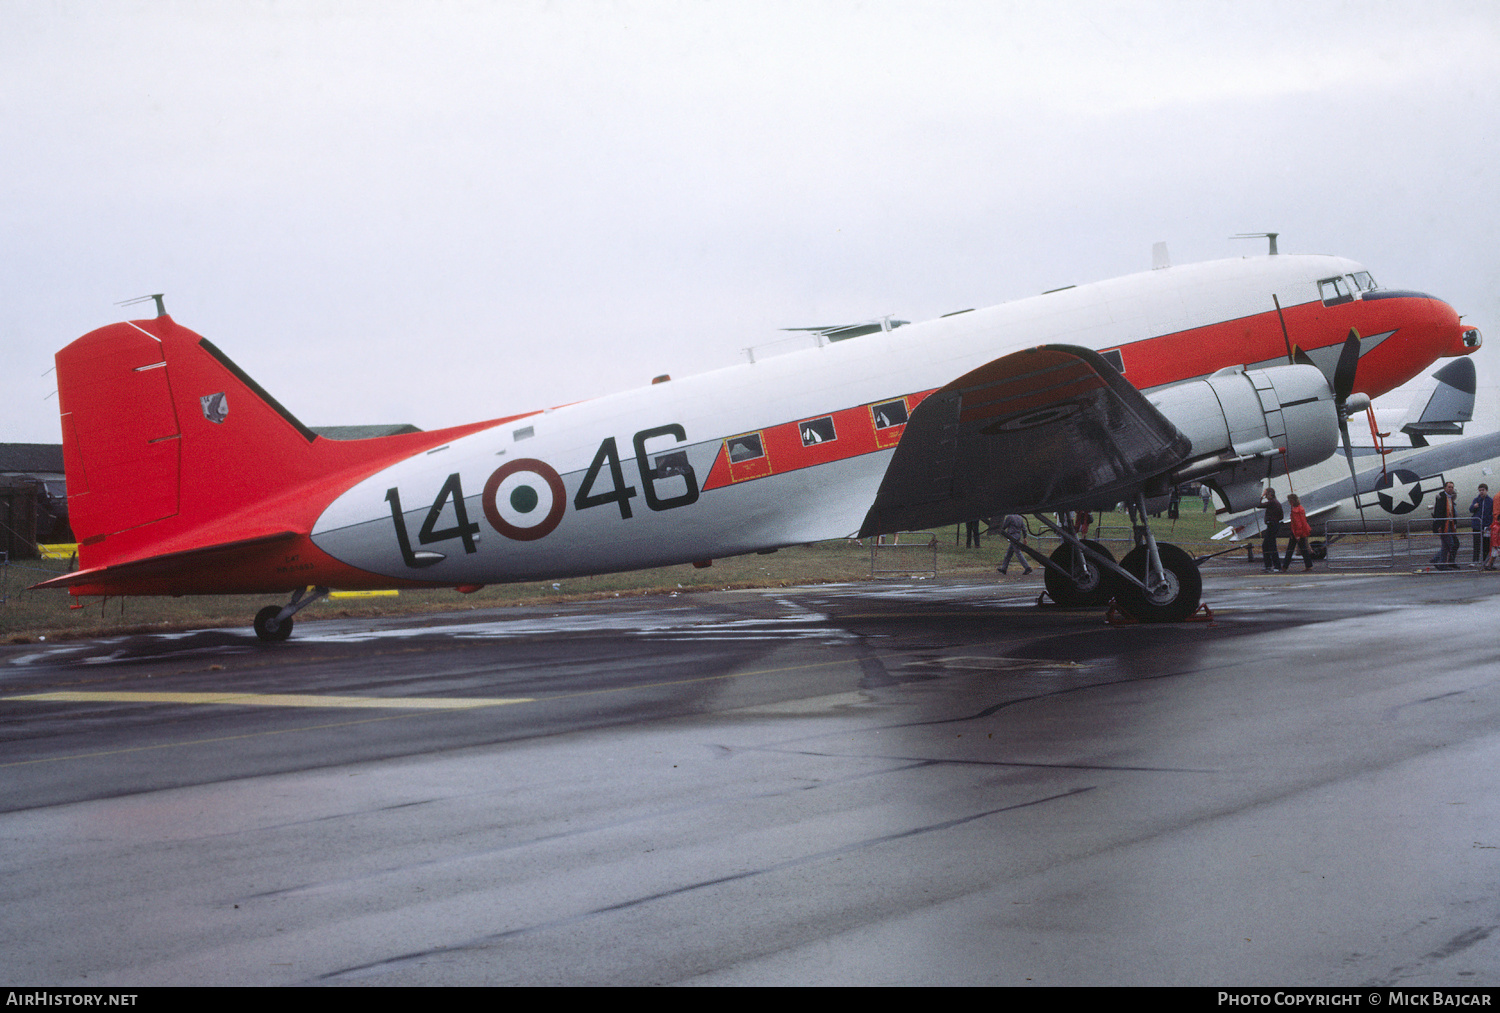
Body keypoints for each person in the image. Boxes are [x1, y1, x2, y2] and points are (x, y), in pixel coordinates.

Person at [1431, 480, 1460, 570]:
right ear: (1445, 488)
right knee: (1450, 544)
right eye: (1449, 487)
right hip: (1444, 526)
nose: (1451, 489)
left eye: (1452, 487)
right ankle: (1439, 561)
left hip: (1449, 525)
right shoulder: (1442, 498)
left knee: (1446, 545)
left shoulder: (1450, 498)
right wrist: (1439, 526)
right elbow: (1438, 512)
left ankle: (1441, 564)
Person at [1282, 492, 1314, 571]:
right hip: (1303, 532)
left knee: (1290, 550)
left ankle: (1285, 566)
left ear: (1291, 501)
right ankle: (1309, 565)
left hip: (1296, 533)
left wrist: (1297, 535)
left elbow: (1297, 524)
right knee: (1304, 550)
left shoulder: (1295, 511)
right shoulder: (1301, 508)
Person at [1261, 488, 1284, 572]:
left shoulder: (1272, 502)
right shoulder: (1276, 502)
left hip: (1271, 525)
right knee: (1268, 545)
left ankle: (1275, 566)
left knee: (1270, 546)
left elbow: (1258, 505)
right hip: (1274, 524)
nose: (1266, 497)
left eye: (1266, 495)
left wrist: (1261, 496)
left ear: (1270, 494)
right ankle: (1270, 565)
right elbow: (1281, 516)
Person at [1471, 484, 1493, 567]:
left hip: (1486, 526)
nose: (1481, 492)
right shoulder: (1476, 500)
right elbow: (1470, 510)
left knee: (1486, 544)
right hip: (1477, 525)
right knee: (1476, 544)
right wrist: (1474, 506)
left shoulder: (1490, 501)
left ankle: (1484, 561)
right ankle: (1475, 561)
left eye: (1483, 490)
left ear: (1486, 491)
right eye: (1480, 490)